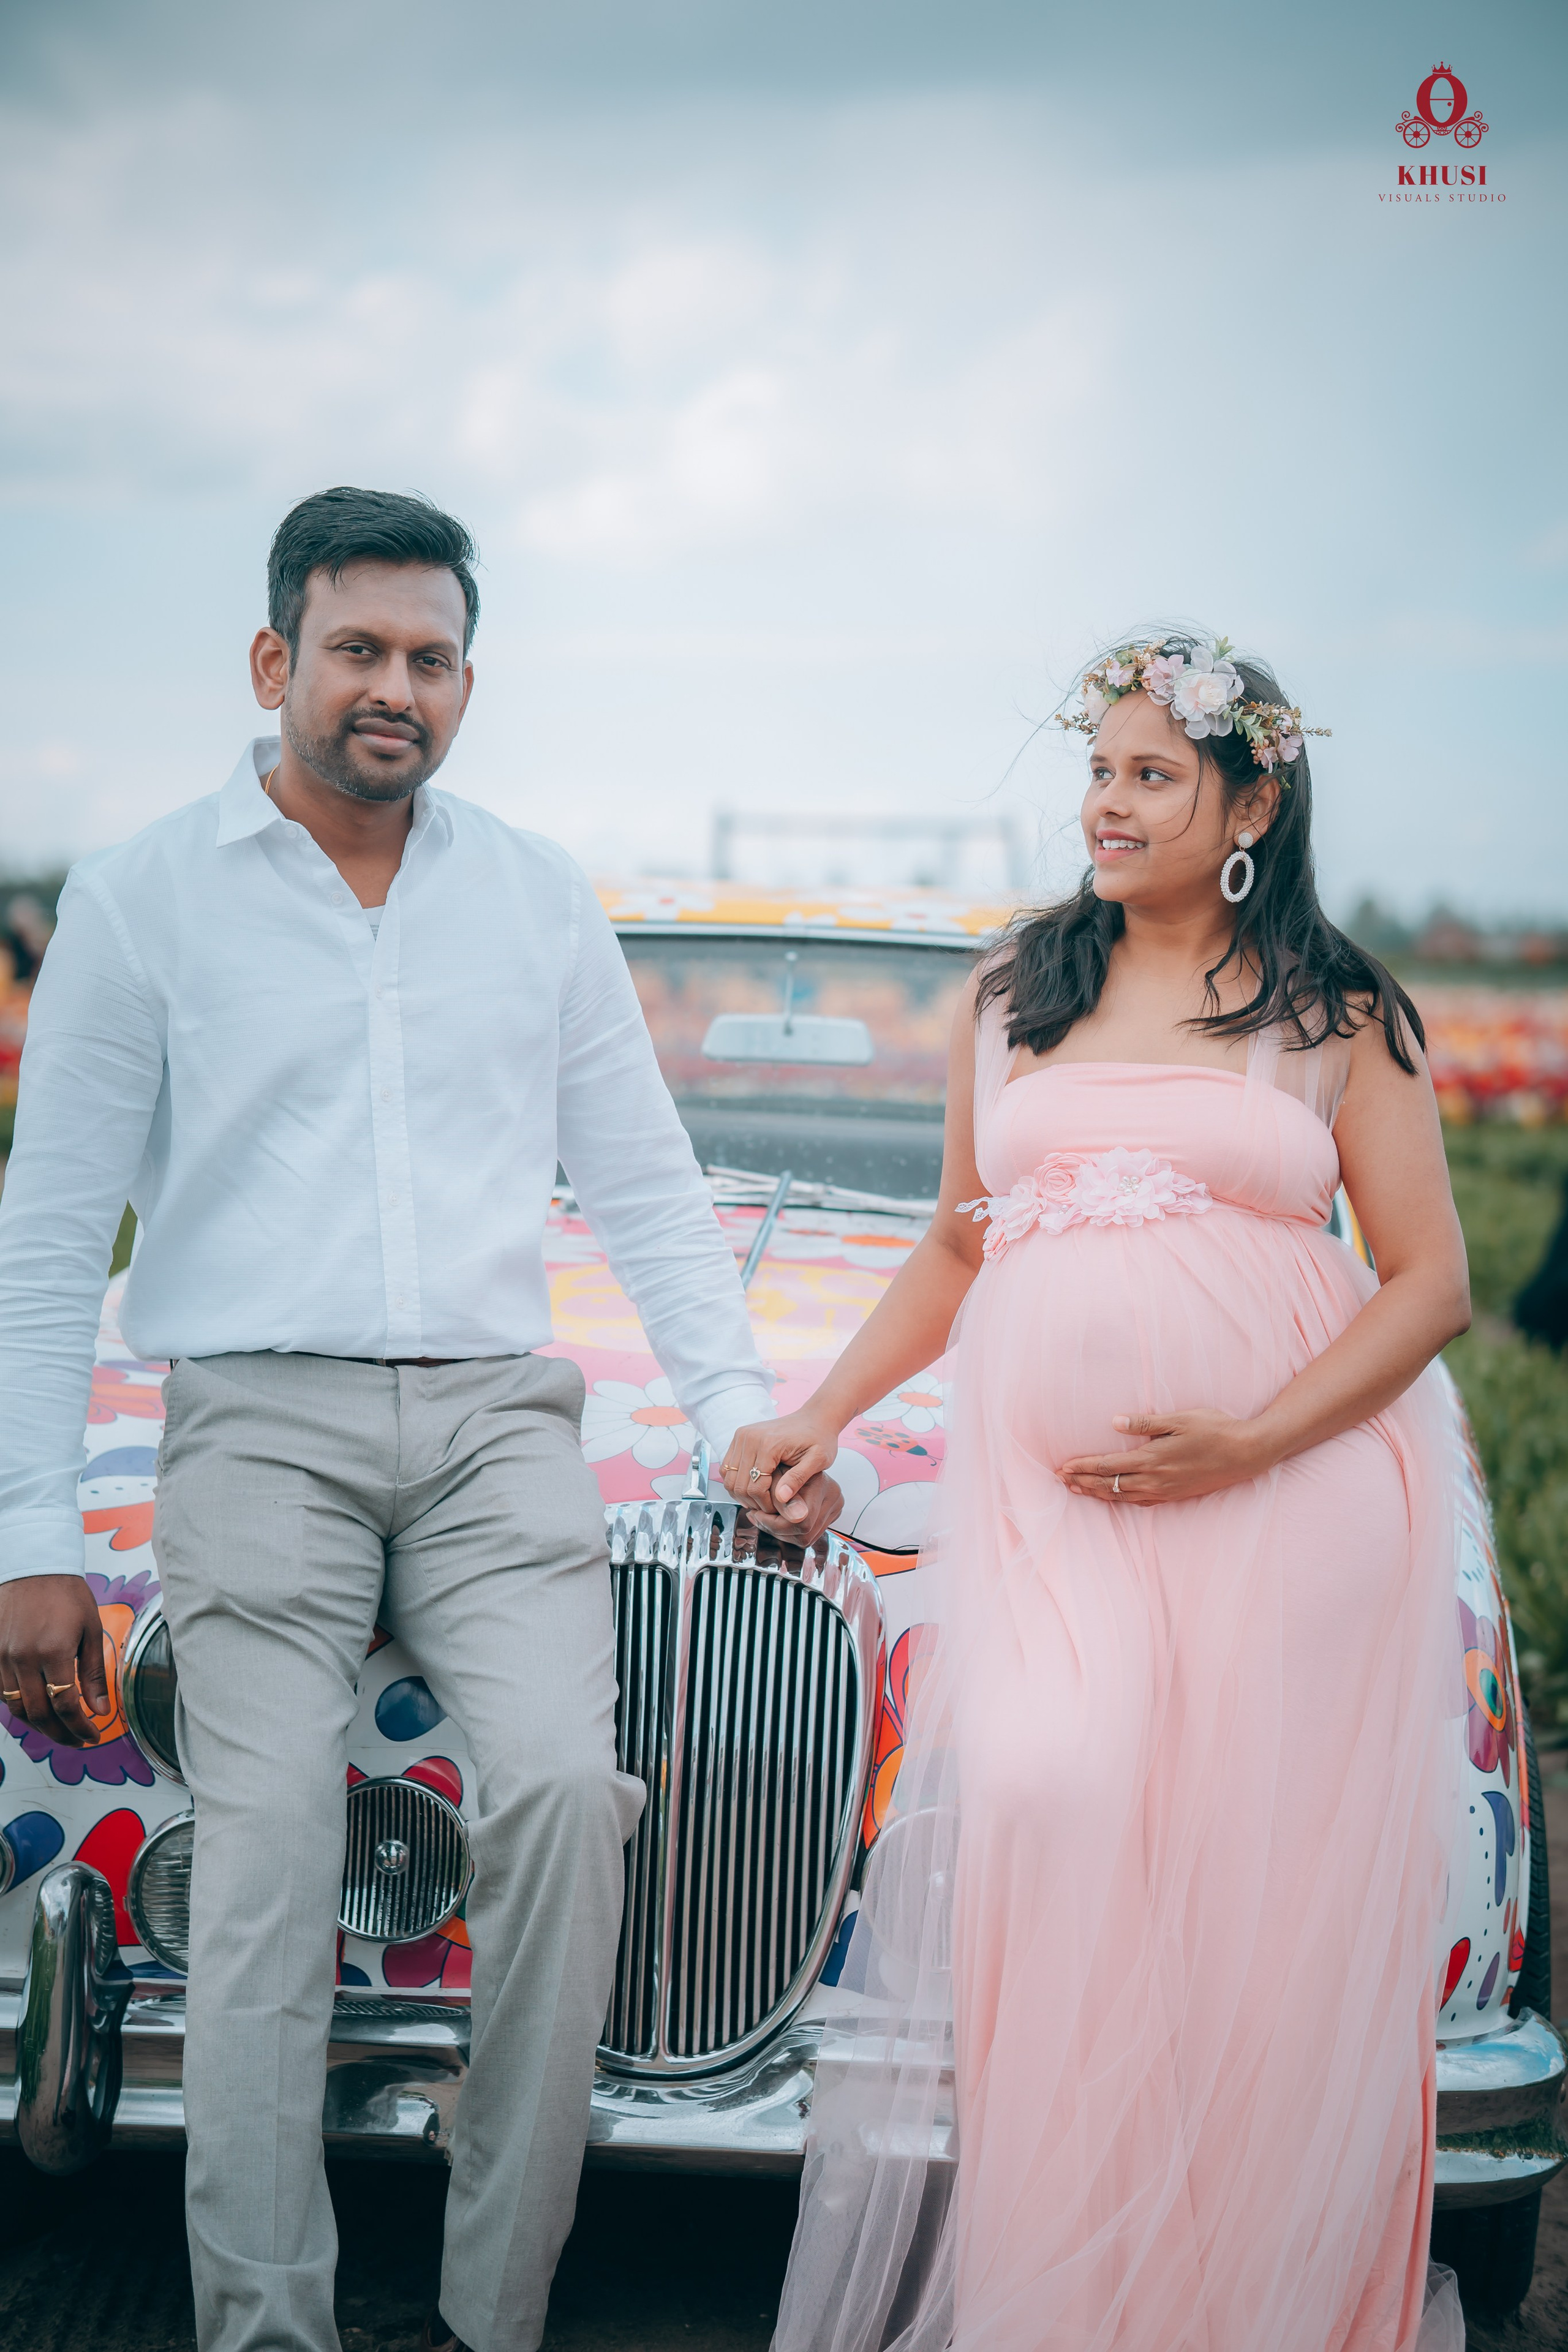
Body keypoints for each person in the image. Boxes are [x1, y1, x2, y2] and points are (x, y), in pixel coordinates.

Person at [0, 486, 838, 2352]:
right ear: (273, 659)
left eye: (432, 658)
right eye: (361, 650)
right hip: (257, 1423)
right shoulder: (142, 899)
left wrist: (736, 1413)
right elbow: (49, 1235)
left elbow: (642, 1183)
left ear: (470, 681)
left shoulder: (533, 893)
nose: (397, 688)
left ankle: (493, 2314)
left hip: (490, 1431)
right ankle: (266, 2328)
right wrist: (32, 1538)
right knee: (269, 1853)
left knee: (560, 1800)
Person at [722, 633, 1471, 2352]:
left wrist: (1252, 1440)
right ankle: (1075, 2296)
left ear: (1251, 803)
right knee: (1056, 1806)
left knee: (1242, 1911)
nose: (1105, 806)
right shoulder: (1018, 990)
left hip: (1291, 1504)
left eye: (1150, 774)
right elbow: (953, 1245)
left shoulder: (1334, 1005)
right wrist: (825, 1410)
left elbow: (1426, 1282)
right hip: (1053, 1511)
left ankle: (1243, 2299)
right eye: (1099, 771)